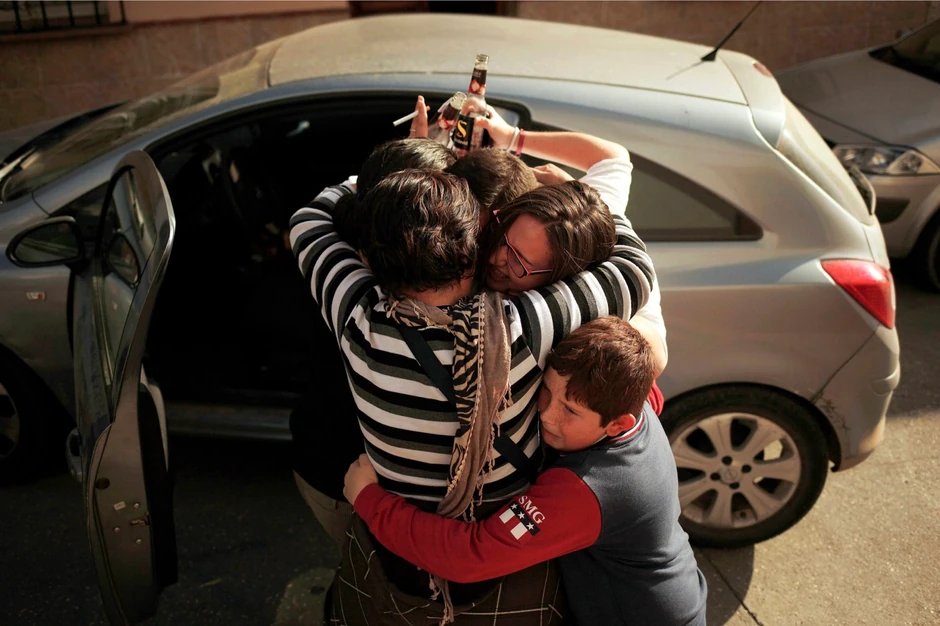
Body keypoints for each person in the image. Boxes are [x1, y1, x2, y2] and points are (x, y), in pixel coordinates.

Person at [290, 162, 655, 621]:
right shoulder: (524, 329)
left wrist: (365, 184)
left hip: (397, 562)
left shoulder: (357, 319)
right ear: (470, 257)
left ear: (374, 264)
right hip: (499, 574)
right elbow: (635, 270)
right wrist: (575, 190)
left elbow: (307, 221)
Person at [344, 316, 708, 626]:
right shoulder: (633, 404)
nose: (546, 414)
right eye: (546, 391)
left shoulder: (587, 489)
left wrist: (369, 500)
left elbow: (470, 555)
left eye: (570, 411)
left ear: (616, 424)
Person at [290, 137, 455, 546]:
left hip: (326, 469)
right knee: (378, 581)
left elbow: (307, 217)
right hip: (356, 490)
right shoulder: (381, 307)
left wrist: (367, 180)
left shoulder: (338, 276)